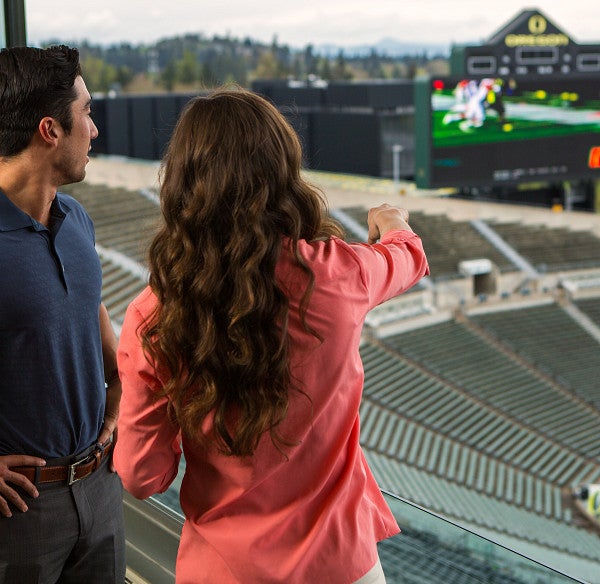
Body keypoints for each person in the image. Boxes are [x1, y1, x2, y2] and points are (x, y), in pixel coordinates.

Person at [114, 87, 429, 583]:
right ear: (282, 174)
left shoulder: (153, 317)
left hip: (223, 570)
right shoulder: (338, 275)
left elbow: (141, 476)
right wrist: (393, 222)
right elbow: (409, 257)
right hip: (342, 564)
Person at [0, 46, 125, 583]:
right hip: (21, 515)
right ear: (50, 130)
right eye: (87, 113)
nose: (93, 130)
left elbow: (87, 309)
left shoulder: (76, 219)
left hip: (100, 488)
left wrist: (122, 392)